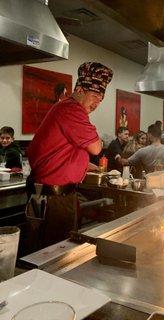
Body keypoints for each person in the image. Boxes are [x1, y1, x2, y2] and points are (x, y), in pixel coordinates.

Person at [27, 61, 113, 248]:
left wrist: (84, 165)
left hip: (57, 194)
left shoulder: (67, 108)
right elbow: (96, 148)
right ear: (80, 89)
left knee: (57, 247)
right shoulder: (71, 109)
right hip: (54, 197)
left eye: (101, 99)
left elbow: (65, 151)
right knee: (54, 251)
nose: (97, 103)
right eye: (95, 96)